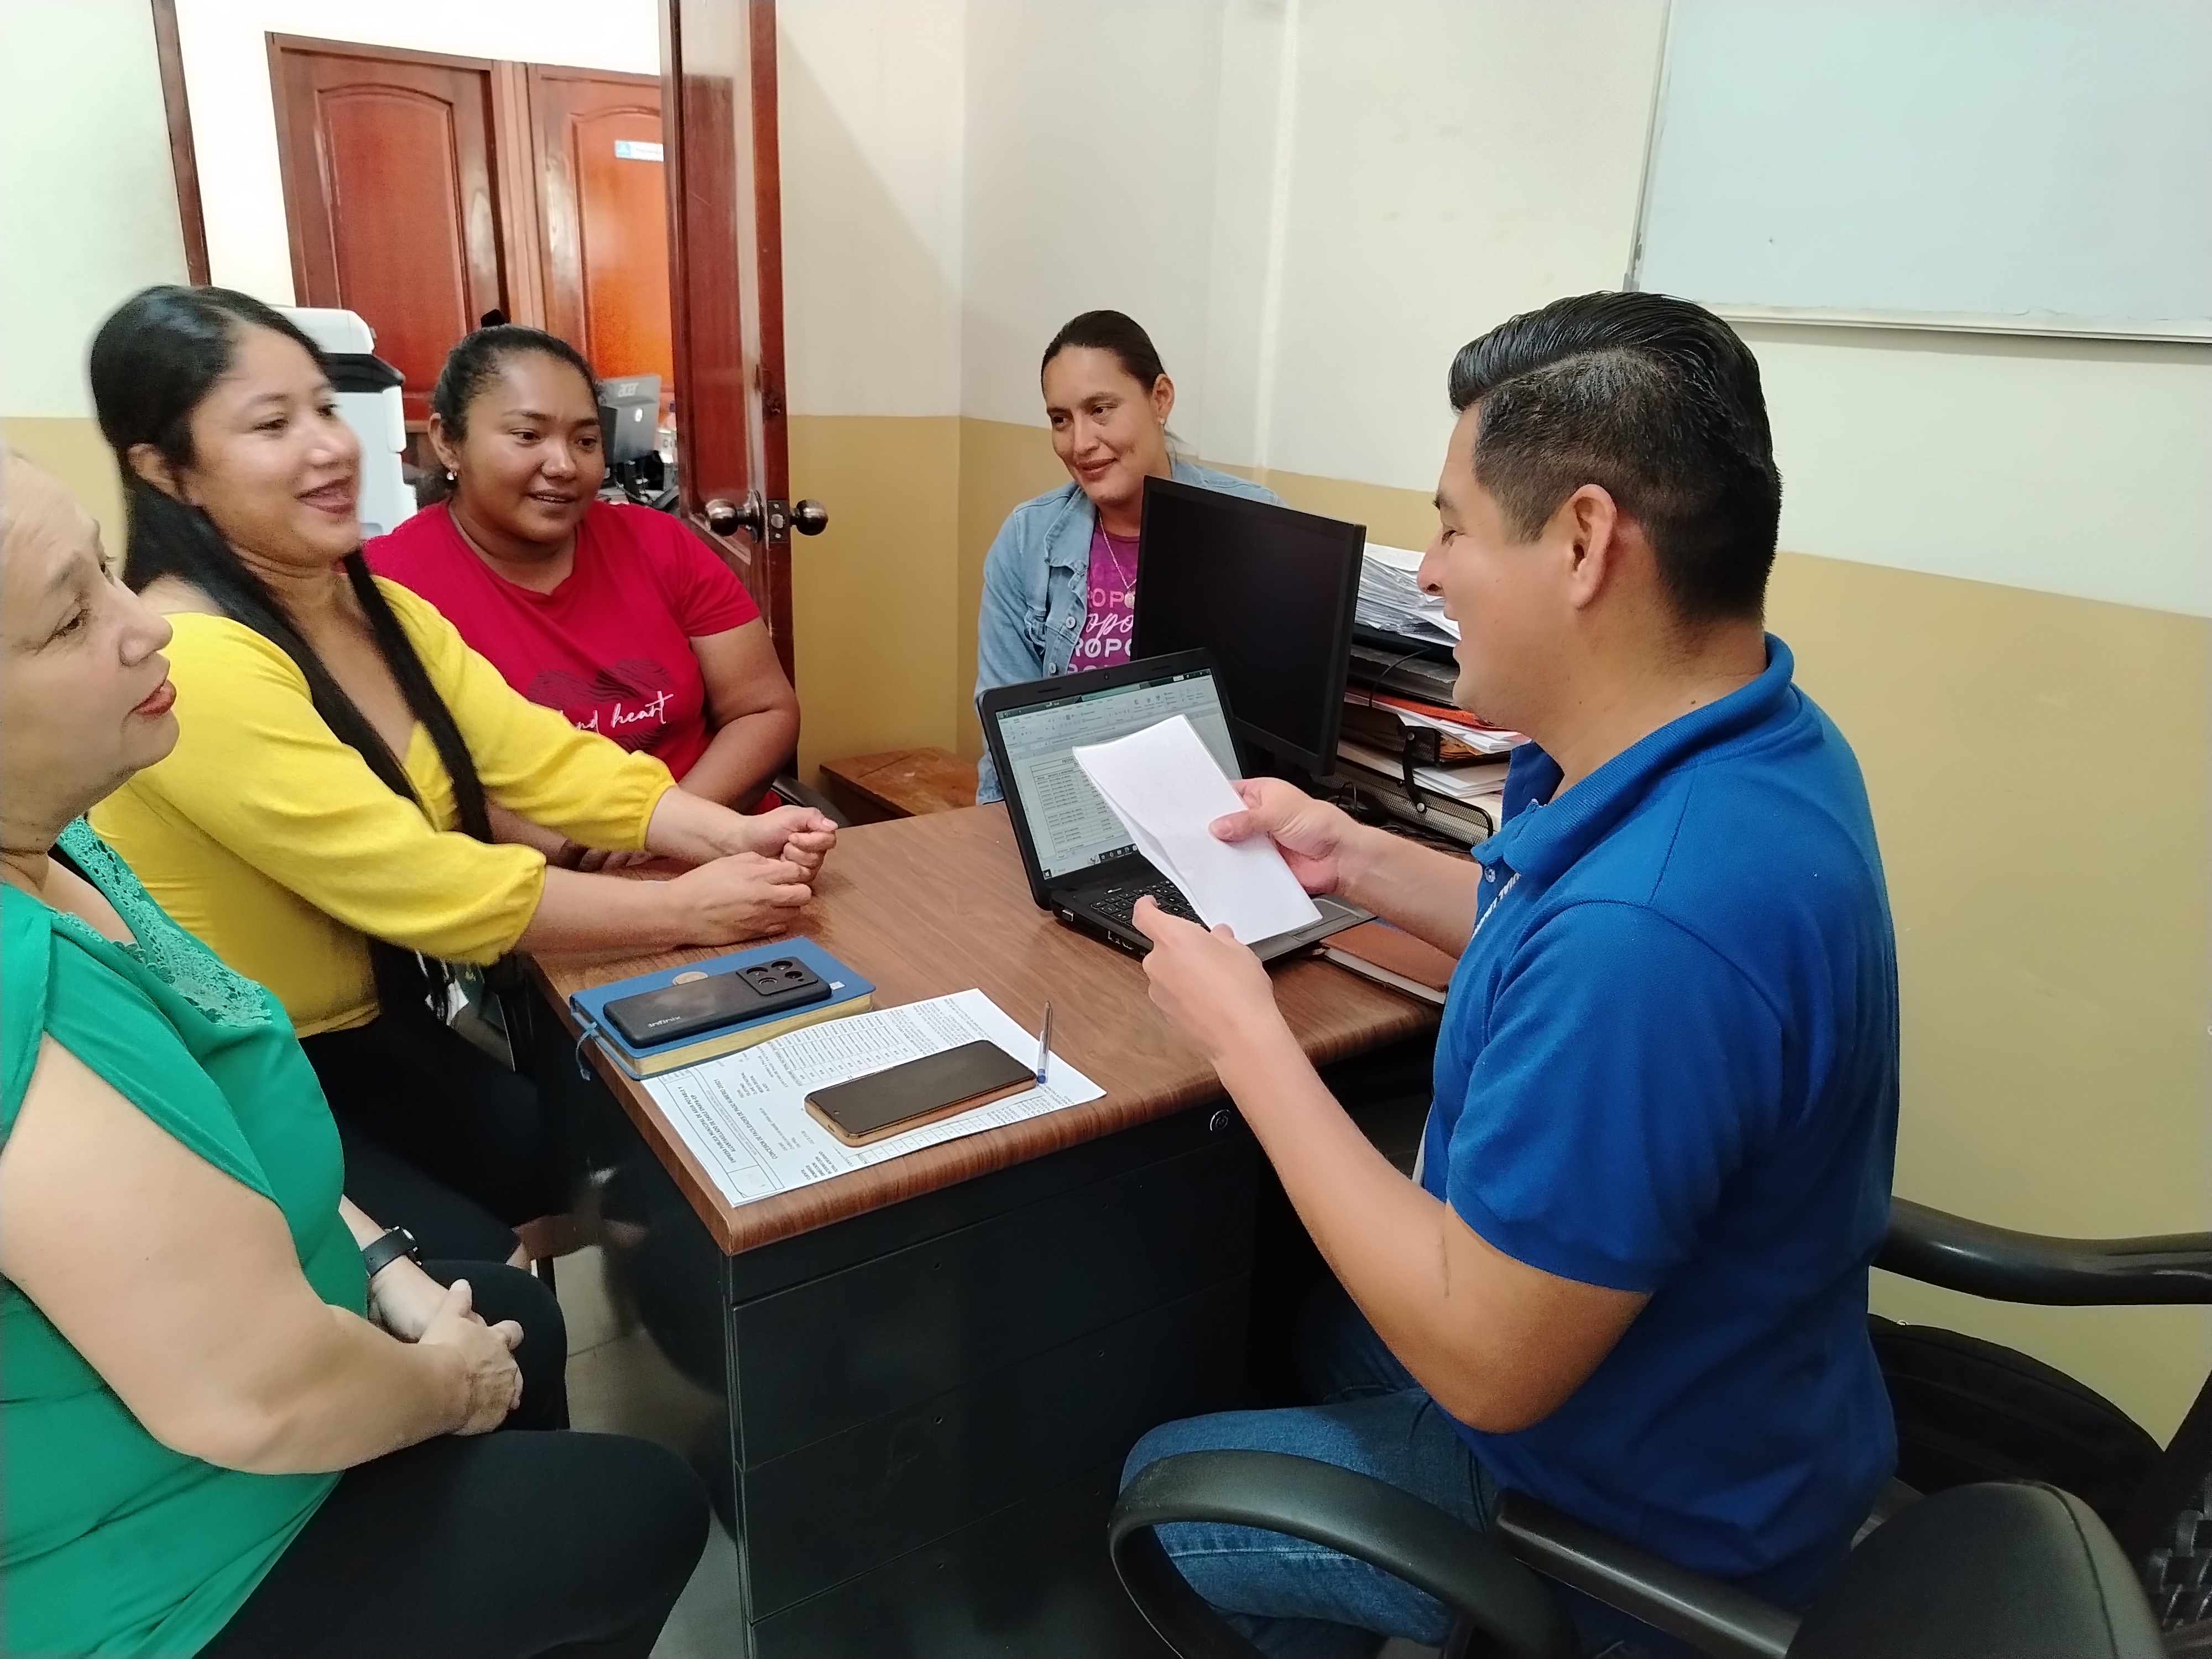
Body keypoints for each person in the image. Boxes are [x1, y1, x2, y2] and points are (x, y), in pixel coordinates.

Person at [1121, 293, 1900, 1657]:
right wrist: (1353, 854)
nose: (1426, 573)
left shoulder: (1648, 935)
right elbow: (1539, 920)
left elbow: (1483, 1362)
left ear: (1584, 542)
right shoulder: (1748, 746)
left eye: (1453, 528)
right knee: (1312, 1319)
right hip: (1745, 1400)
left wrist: (1248, 1039)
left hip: (1632, 1523)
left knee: (1164, 1490)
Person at [0, 448, 708, 1658]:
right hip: (177, 1558)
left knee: (514, 1316)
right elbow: (253, 1395)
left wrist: (385, 1266)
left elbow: (221, 1102)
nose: (145, 628)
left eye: (108, 575)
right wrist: (448, 1384)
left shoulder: (67, 843)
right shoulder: (33, 984)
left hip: (282, 1319)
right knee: (639, 1505)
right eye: (73, 620)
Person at [84, 285, 836, 1265]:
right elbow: (419, 881)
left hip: (376, 1021)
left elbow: (538, 754)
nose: (329, 447)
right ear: (164, 468)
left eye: (325, 409)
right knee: (497, 1291)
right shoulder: (198, 655)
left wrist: (726, 833)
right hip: (252, 1063)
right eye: (273, 425)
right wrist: (688, 909)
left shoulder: (370, 606)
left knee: (586, 1160)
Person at [368, 326, 800, 865]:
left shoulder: (660, 543)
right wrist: (579, 853)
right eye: (528, 436)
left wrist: (672, 829)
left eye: (586, 441)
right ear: (447, 441)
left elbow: (763, 710)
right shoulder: (385, 583)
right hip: (542, 879)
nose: (564, 466)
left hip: (727, 844)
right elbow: (421, 779)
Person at [972, 309, 1280, 801]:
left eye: (1101, 410)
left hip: (1213, 809)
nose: (1081, 444)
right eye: (1060, 419)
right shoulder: (1027, 539)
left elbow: (1275, 725)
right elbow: (1009, 729)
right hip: (1064, 810)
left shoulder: (1254, 525)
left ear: (1160, 397)